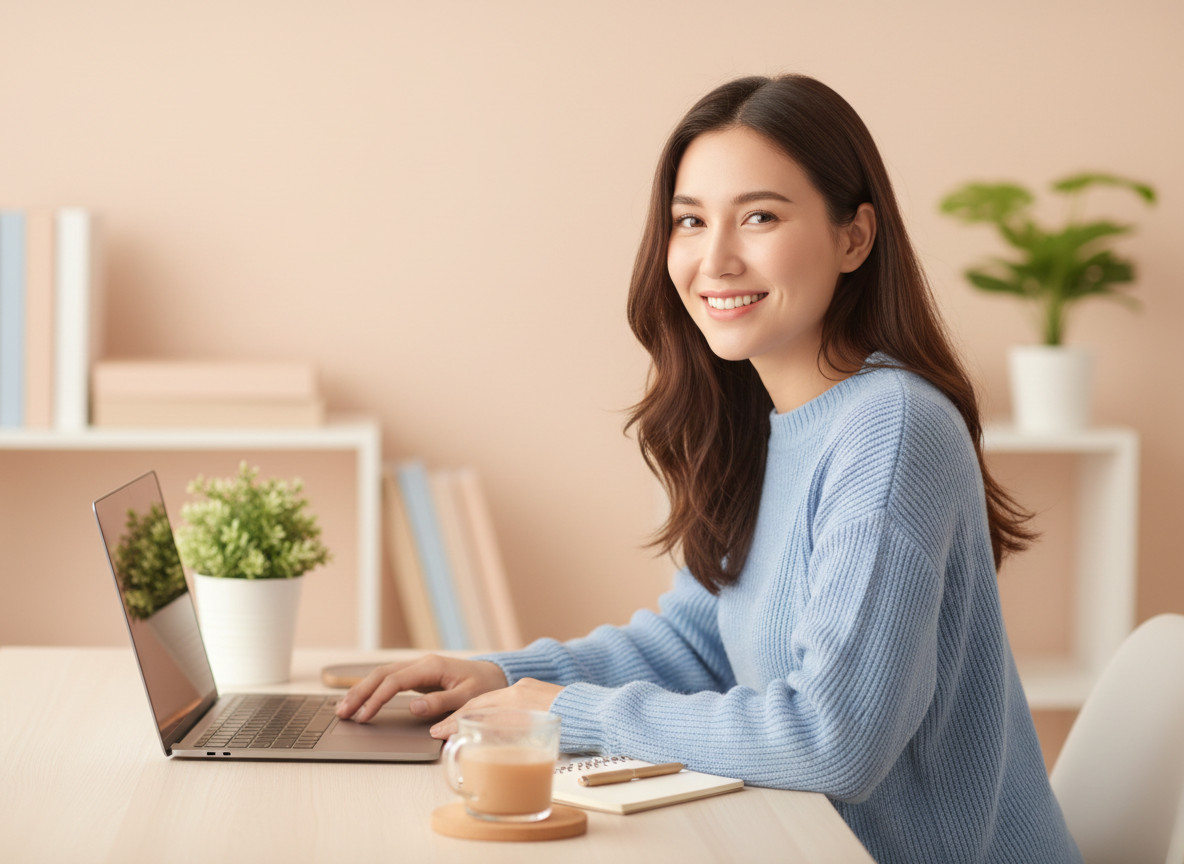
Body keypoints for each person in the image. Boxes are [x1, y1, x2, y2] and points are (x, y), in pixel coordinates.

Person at [336, 74, 1082, 863]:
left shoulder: (891, 427)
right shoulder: (765, 424)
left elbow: (835, 740)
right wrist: (497, 675)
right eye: (690, 221)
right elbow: (699, 648)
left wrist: (568, 712)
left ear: (854, 238)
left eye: (759, 216)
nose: (715, 258)